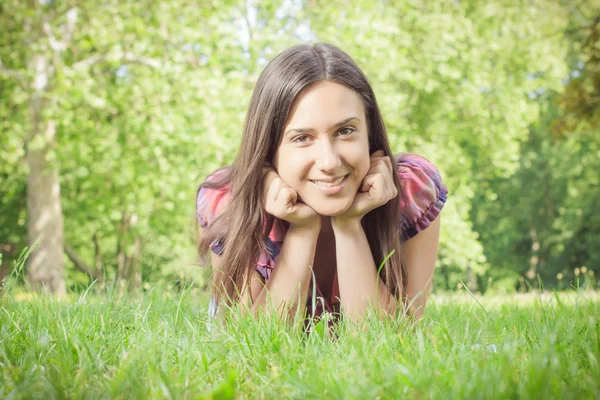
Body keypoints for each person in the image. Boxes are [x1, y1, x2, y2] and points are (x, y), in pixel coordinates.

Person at [196, 43, 447, 325]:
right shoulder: (229, 199)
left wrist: (349, 226)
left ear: (370, 134)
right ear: (269, 148)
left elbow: (393, 346)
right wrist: (302, 230)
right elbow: (252, 347)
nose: (329, 162)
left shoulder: (411, 189)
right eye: (302, 138)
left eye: (345, 131)